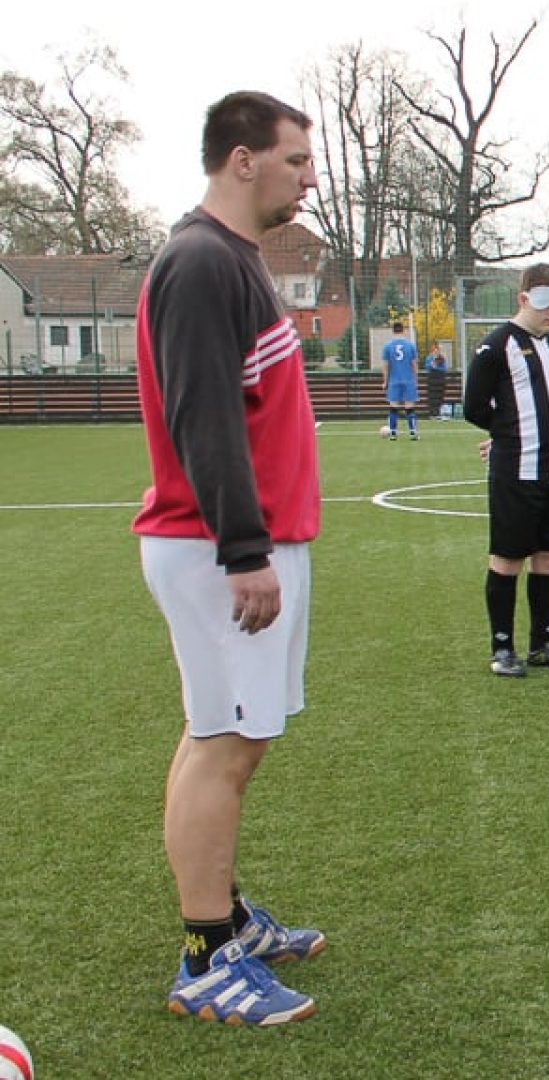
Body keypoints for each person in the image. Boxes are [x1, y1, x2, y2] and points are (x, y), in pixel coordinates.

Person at [134, 90, 325, 1027]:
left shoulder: (236, 262)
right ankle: (207, 957)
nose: (309, 176)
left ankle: (226, 921)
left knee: (223, 734)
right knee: (224, 746)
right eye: (296, 159)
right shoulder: (202, 261)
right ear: (242, 159)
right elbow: (201, 416)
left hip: (247, 544)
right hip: (220, 549)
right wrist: (245, 549)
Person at [465, 264, 549, 677]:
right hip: (516, 473)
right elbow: (474, 408)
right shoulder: (495, 347)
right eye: (545, 303)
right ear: (523, 299)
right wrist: (506, 437)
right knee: (508, 557)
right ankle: (502, 648)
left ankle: (542, 644)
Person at [381, 320, 419, 440]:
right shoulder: (410, 346)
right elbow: (414, 365)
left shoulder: (387, 346)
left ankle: (393, 433)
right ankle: (413, 433)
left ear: (393, 331)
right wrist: (415, 380)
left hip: (394, 380)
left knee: (393, 407)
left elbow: (385, 365)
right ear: (403, 330)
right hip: (408, 380)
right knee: (409, 407)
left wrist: (385, 381)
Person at [424, 342, 450, 419]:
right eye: (435, 349)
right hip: (432, 379)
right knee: (432, 396)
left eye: (438, 349)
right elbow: (428, 367)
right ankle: (432, 413)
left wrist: (436, 367)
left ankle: (439, 413)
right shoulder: (429, 358)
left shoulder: (442, 358)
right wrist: (434, 365)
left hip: (440, 379)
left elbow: (443, 369)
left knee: (440, 396)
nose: (437, 351)